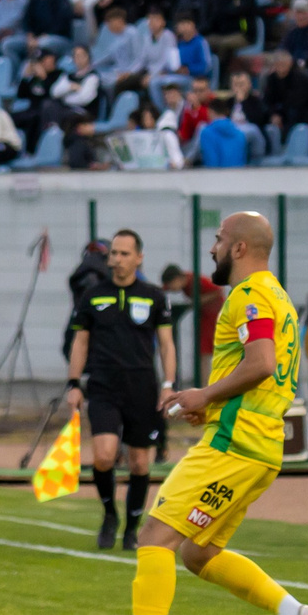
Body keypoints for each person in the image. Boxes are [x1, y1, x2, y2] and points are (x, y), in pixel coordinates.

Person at [83, 211, 308, 615]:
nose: (212, 248)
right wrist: (207, 404)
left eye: (218, 240)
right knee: (198, 552)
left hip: (235, 444)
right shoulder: (277, 295)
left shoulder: (250, 294)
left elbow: (260, 364)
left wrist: (205, 396)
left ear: (238, 248)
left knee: (155, 535)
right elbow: (261, 372)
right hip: (258, 443)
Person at [63, 230, 177, 552]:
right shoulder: (93, 295)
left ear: (139, 258)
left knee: (140, 464)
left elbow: (166, 345)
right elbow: (80, 342)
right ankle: (109, 514)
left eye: (125, 253)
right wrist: (73, 384)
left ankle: (132, 527)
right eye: (114, 253)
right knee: (103, 456)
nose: (117, 259)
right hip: (103, 386)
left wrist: (168, 384)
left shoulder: (154, 296)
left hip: (142, 387)